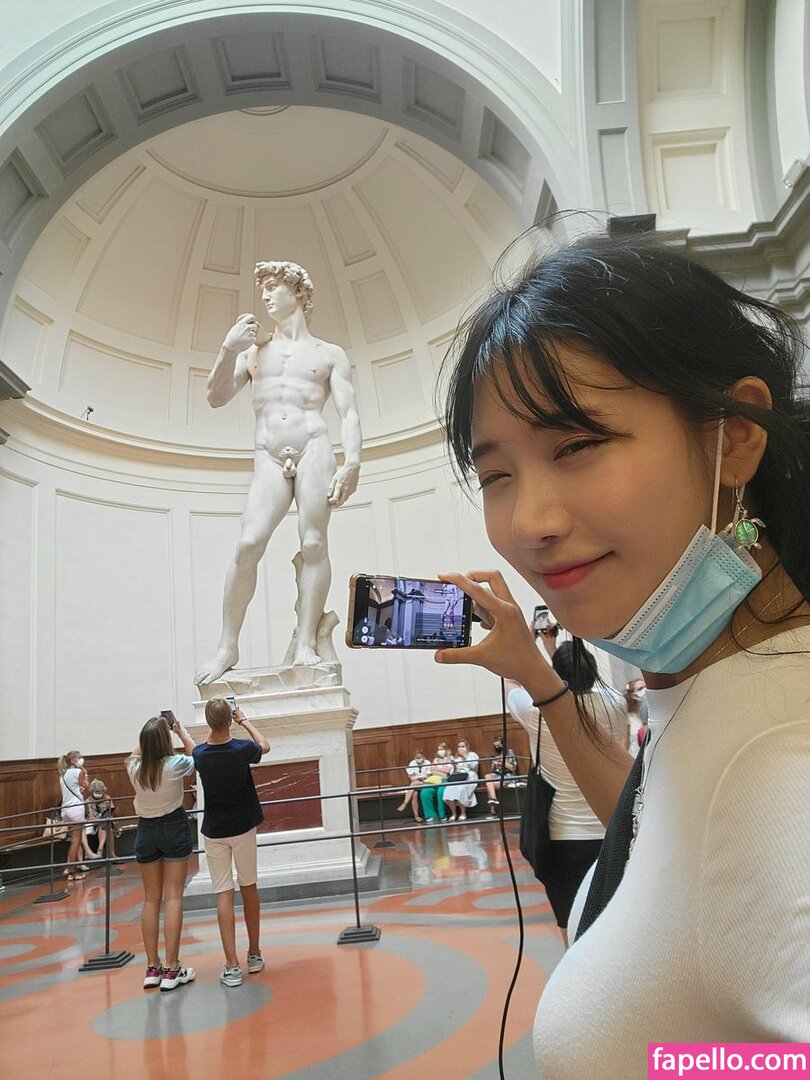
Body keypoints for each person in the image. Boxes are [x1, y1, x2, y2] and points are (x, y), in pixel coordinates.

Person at [435, 233, 810, 1071]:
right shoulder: (705, 685)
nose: (529, 522)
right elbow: (667, 852)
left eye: (576, 445)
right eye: (496, 476)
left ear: (733, 436)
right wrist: (705, 1064)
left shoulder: (786, 765)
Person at [195, 260, 362, 683]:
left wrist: (353, 462)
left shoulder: (329, 354)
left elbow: (349, 413)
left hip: (314, 447)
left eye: (273, 286)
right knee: (248, 544)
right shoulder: (254, 351)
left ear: (299, 292)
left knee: (313, 543)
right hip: (268, 454)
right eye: (264, 288)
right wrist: (227, 348)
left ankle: (305, 642)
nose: (266, 295)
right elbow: (215, 397)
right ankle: (227, 646)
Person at [508, 635, 627, 943]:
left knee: (571, 923)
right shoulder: (615, 703)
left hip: (565, 838)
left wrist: (528, 640)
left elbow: (513, 681)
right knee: (619, 922)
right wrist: (554, 650)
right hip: (613, 829)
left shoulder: (537, 713)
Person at [192, 697, 271, 988]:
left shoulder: (200, 754)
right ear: (230, 719)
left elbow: (201, 747)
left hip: (215, 830)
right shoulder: (241, 749)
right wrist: (244, 721)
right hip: (243, 826)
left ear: (208, 722)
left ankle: (231, 965)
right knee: (249, 886)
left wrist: (215, 726)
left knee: (223, 893)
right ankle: (254, 953)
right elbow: (265, 745)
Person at [126, 712, 196, 992]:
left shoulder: (134, 767)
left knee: (151, 899)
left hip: (145, 830)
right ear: (165, 741)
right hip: (173, 826)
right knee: (174, 896)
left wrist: (150, 737)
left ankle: (152, 968)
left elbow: (135, 753)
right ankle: (171, 967)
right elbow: (196, 754)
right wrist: (178, 731)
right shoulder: (175, 764)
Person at [57, 750, 88, 881]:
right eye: (79, 757)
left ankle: (70, 869)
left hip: (65, 810)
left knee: (73, 841)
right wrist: (85, 773)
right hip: (76, 808)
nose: (81, 759)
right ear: (73, 760)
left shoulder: (62, 775)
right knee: (76, 842)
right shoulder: (77, 772)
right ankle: (72, 872)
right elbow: (85, 785)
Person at [442, 739, 480, 821]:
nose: (461, 748)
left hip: (469, 777)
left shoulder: (472, 755)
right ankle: (454, 813)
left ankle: (463, 813)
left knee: (461, 789)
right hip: (458, 777)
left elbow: (473, 766)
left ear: (467, 747)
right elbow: (452, 771)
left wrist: (465, 756)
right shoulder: (457, 758)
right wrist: (454, 766)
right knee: (448, 789)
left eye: (463, 746)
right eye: (459, 747)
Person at [482, 734, 518, 814]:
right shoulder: (495, 754)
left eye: (498, 746)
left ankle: (493, 809)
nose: (497, 748)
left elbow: (513, 768)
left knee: (489, 784)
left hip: (507, 775)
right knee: (487, 777)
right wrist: (495, 764)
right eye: (495, 746)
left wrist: (503, 762)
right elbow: (493, 770)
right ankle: (493, 799)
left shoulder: (509, 752)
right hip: (497, 775)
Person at [418, 743, 454, 822]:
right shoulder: (436, 760)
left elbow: (448, 771)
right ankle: (431, 815)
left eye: (442, 749)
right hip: (435, 780)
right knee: (425, 792)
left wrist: (437, 769)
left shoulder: (451, 759)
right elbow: (432, 770)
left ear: (446, 750)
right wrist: (441, 772)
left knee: (440, 792)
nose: (440, 751)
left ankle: (442, 815)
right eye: (439, 749)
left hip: (445, 780)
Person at [396, 747, 431, 821]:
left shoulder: (428, 763)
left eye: (420, 757)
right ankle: (416, 816)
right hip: (416, 784)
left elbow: (428, 776)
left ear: (423, 756)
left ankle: (405, 803)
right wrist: (420, 777)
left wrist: (418, 777)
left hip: (425, 783)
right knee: (414, 794)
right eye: (417, 758)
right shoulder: (412, 763)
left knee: (414, 783)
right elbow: (412, 778)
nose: (419, 759)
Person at [87, 778, 118, 859]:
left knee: (106, 825)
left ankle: (100, 851)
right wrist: (101, 820)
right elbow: (91, 817)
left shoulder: (107, 798)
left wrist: (114, 810)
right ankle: (110, 854)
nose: (98, 794)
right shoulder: (89, 801)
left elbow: (112, 811)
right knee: (106, 827)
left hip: (107, 821)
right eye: (96, 792)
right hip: (95, 823)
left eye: (100, 792)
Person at [624, 678, 648, 758]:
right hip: (634, 756)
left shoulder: (651, 711)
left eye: (646, 687)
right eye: (640, 689)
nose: (645, 690)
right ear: (633, 695)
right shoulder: (629, 717)